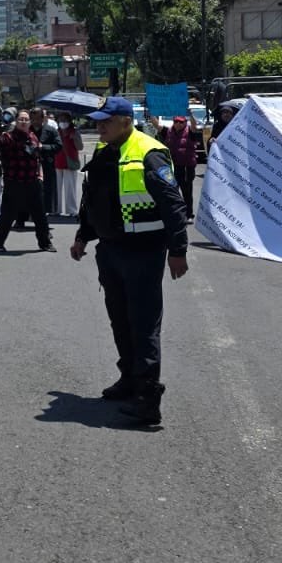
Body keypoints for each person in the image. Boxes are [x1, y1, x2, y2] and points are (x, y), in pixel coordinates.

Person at [70, 97, 189, 426]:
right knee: (120, 320)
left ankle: (148, 398)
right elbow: (92, 201)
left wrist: (178, 250)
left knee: (143, 324)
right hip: (111, 251)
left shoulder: (148, 153)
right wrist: (83, 236)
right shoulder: (103, 152)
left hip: (144, 252)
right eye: (98, 121)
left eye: (106, 121)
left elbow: (173, 205)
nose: (100, 126)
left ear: (126, 120)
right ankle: (129, 380)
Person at [0, 110, 53, 252]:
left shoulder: (32, 137)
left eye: (26, 119)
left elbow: (37, 158)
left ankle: (45, 243)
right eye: (21, 119)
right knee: (7, 214)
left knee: (39, 214)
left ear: (29, 122)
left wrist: (40, 175)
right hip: (14, 182)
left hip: (32, 181)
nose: (24, 122)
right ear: (16, 122)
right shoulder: (8, 137)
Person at [160, 115, 200, 219]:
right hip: (172, 168)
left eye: (181, 122)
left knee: (187, 192)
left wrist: (191, 114)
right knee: (171, 191)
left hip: (186, 168)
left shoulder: (190, 132)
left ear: (185, 123)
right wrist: (152, 111)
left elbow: (195, 125)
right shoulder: (168, 131)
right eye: (176, 121)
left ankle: (188, 214)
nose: (178, 124)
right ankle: (174, 214)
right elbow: (156, 125)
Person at [32, 107, 60, 219]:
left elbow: (58, 146)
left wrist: (43, 147)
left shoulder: (51, 130)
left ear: (43, 118)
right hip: (30, 166)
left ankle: (45, 213)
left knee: (46, 191)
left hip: (46, 165)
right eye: (33, 119)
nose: (35, 122)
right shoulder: (27, 130)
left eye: (38, 119)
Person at [54, 113, 84, 218]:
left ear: (69, 121)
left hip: (70, 163)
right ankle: (56, 209)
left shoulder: (75, 132)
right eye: (60, 120)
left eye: (65, 120)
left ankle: (72, 210)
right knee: (56, 188)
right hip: (57, 162)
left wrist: (75, 138)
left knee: (70, 188)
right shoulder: (56, 132)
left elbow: (80, 147)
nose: (62, 122)